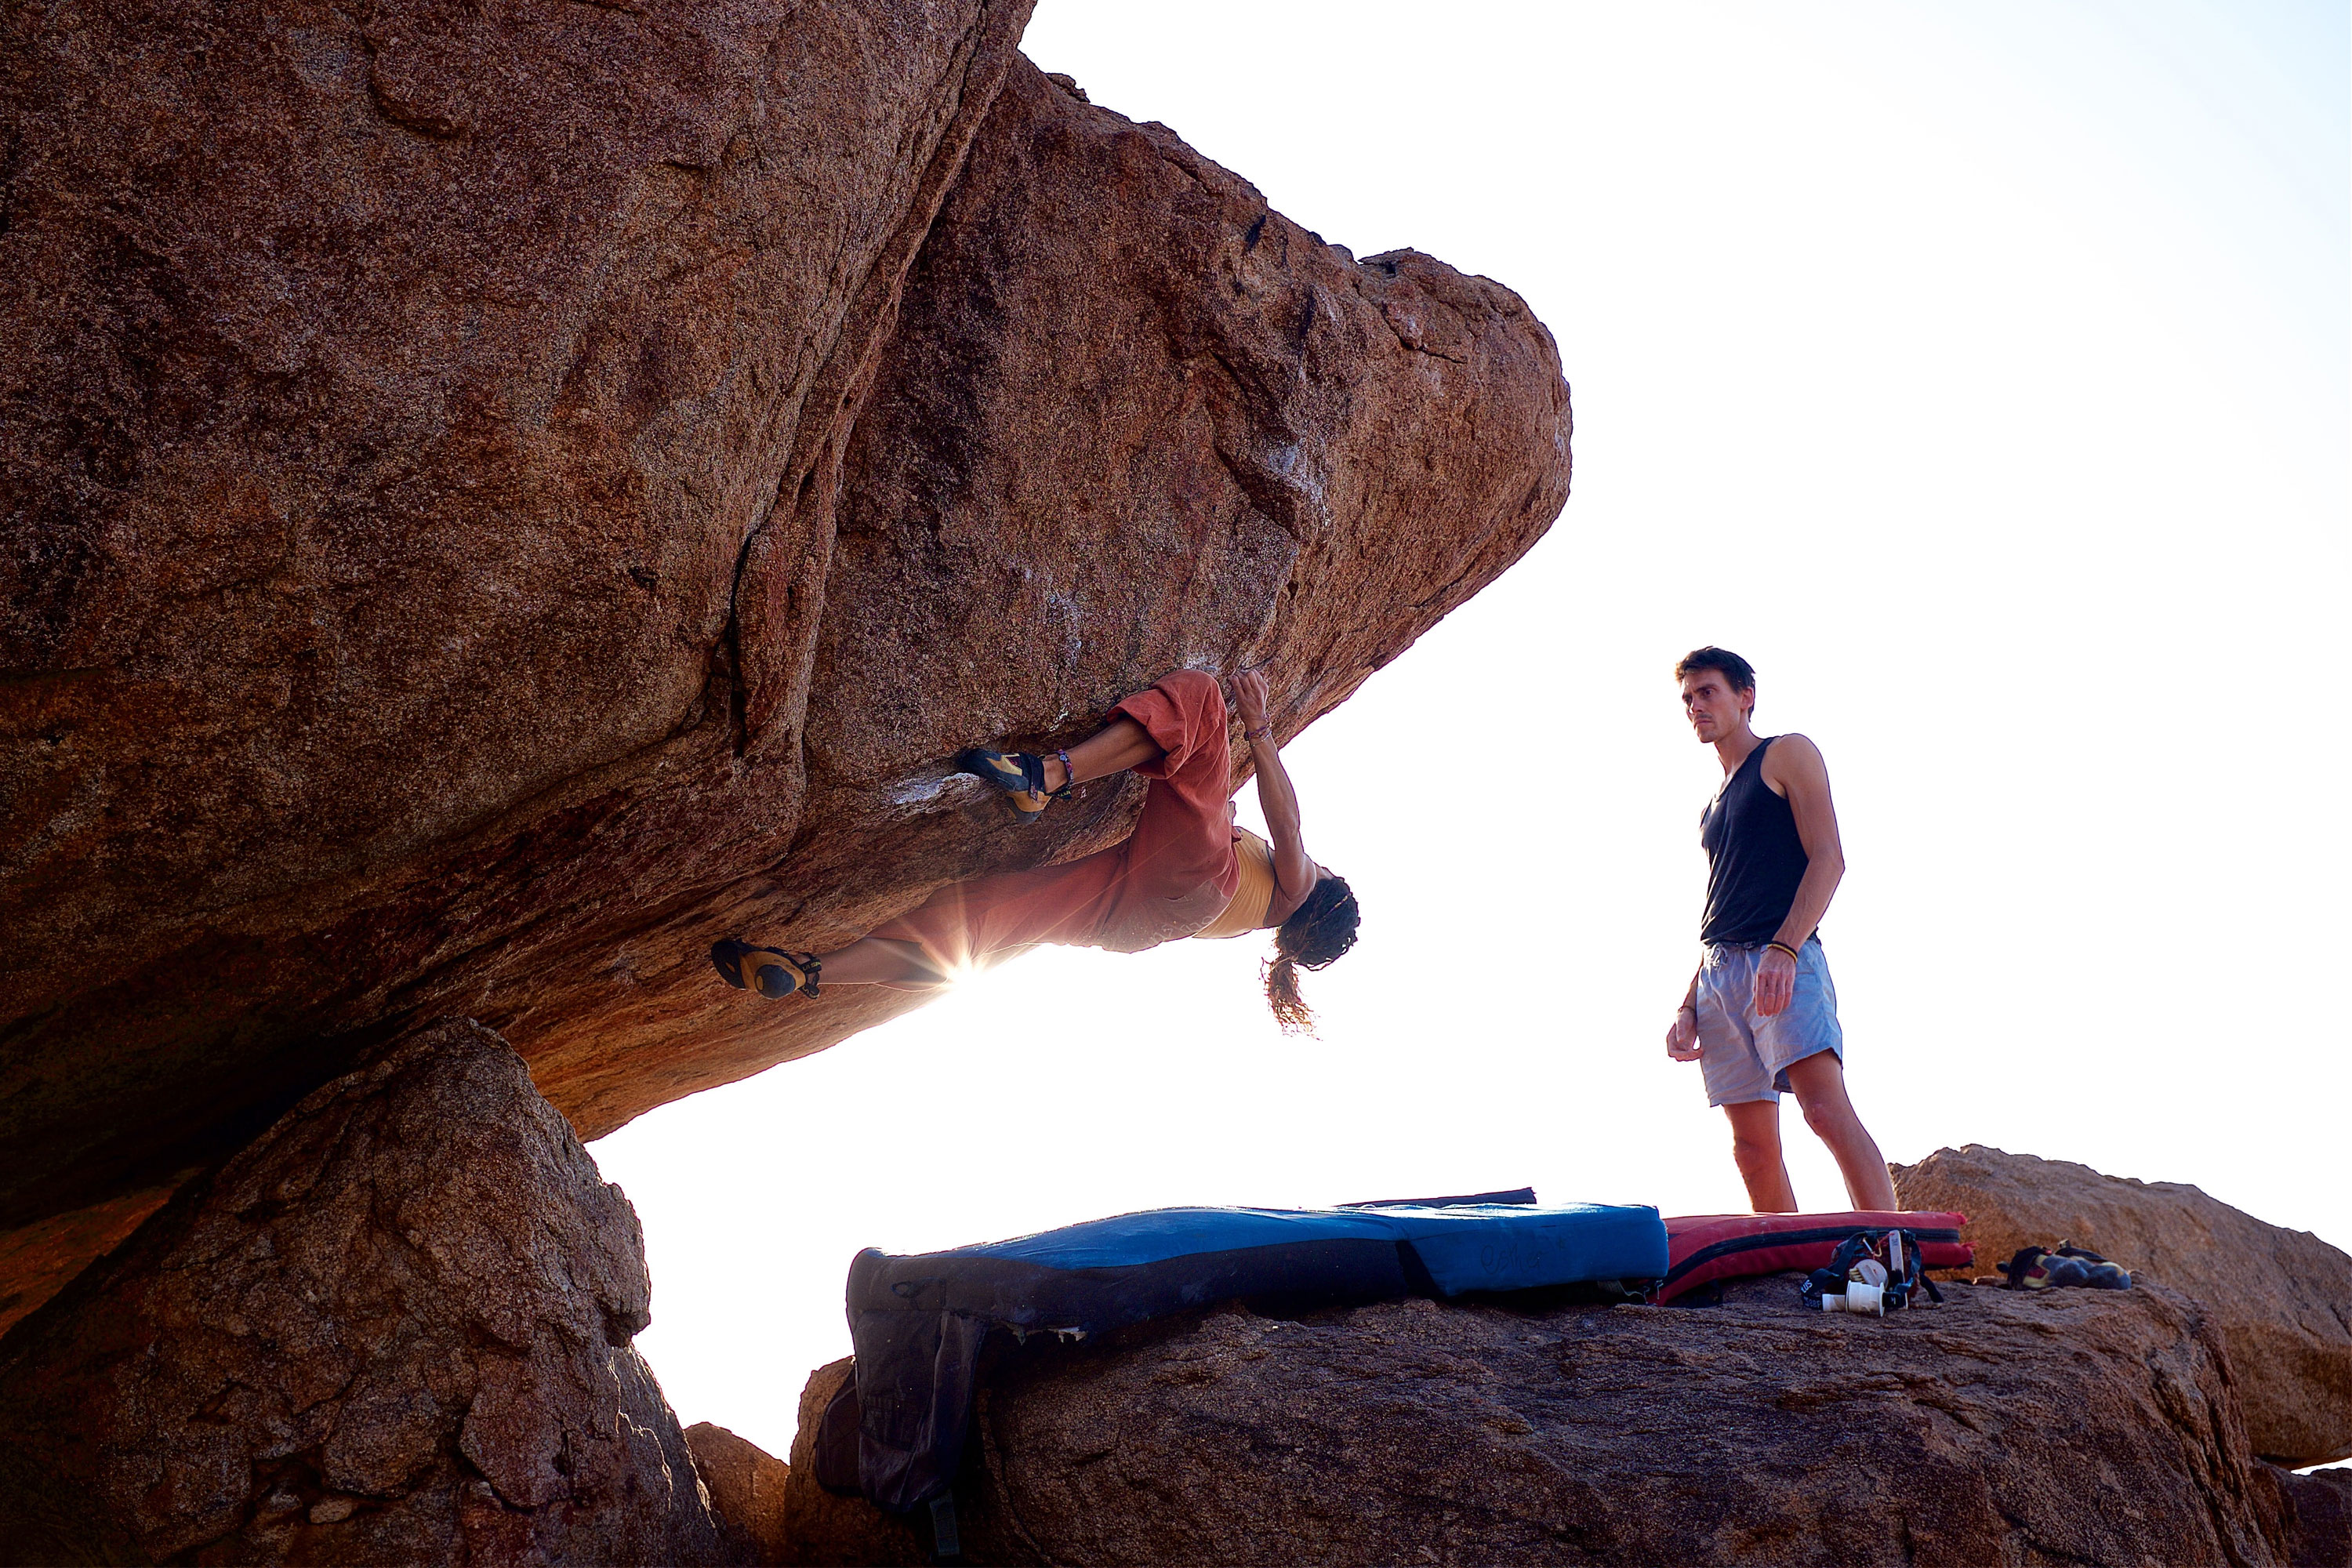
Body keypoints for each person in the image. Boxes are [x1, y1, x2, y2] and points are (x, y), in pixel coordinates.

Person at [711, 668, 1361, 1032]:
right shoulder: (1255, 910)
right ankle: (812, 971)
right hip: (1138, 921)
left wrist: (1262, 727)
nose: (1313, 865)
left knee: (1201, 705)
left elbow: (1289, 826)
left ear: (1321, 894)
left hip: (1188, 881)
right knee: (980, 919)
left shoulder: (1297, 888)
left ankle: (1046, 776)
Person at [1663, 647, 1897, 1212]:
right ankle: (1783, 1278)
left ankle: (1893, 1250)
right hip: (1720, 974)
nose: (1696, 706)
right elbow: (1722, 905)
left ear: (1746, 697)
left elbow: (1829, 859)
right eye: (1688, 698)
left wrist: (1785, 947)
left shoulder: (1786, 754)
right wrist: (1687, 1004)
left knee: (1823, 1111)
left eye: (1708, 692)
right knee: (1751, 1149)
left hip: (1781, 959)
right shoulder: (1711, 806)